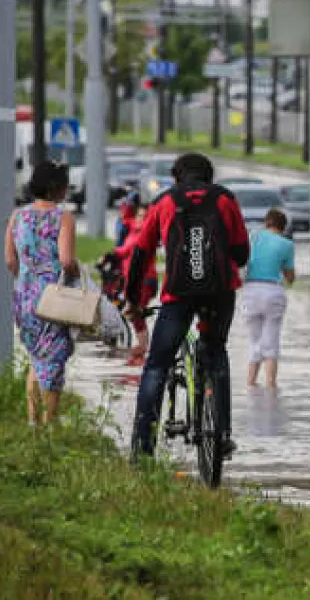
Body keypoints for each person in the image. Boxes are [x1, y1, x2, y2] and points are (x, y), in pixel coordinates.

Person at [124, 153, 250, 461]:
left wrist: (133, 300)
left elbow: (141, 254)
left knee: (157, 366)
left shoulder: (164, 202)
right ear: (209, 177)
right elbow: (242, 252)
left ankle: (142, 449)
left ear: (176, 177)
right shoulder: (225, 199)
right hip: (220, 293)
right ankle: (221, 435)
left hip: (178, 294)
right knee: (216, 353)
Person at [6, 161, 78, 426]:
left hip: (24, 296)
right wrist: (78, 276)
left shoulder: (18, 216)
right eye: (65, 185)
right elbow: (67, 260)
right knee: (53, 360)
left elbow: (10, 261)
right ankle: (50, 425)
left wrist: (28, 278)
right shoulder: (63, 218)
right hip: (52, 299)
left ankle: (33, 422)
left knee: (36, 357)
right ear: (56, 187)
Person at [242, 208, 295, 391]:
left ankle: (250, 383)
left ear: (266, 223)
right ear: (283, 227)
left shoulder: (253, 237)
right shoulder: (287, 245)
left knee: (254, 340)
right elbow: (290, 277)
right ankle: (271, 385)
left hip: (250, 290)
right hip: (273, 292)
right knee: (271, 340)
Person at [112, 204, 158, 365]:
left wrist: (111, 253)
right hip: (133, 280)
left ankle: (143, 348)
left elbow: (125, 250)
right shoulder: (134, 228)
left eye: (144, 217)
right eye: (138, 215)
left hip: (144, 280)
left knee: (135, 314)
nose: (139, 219)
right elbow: (127, 219)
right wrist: (127, 206)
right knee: (134, 314)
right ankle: (142, 347)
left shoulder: (144, 235)